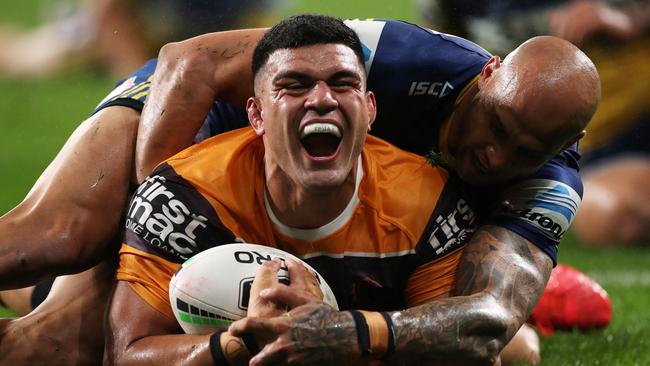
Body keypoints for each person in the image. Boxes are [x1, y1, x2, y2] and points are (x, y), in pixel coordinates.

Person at [0, 15, 601, 366]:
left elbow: (487, 320)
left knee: (516, 349)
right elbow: (192, 62)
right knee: (61, 242)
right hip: (197, 128)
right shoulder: (401, 57)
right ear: (490, 71)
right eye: (496, 124)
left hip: (341, 224)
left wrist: (345, 334)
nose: (495, 157)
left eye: (526, 152)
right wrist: (154, 221)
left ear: (572, 142)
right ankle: (56, 280)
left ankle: (46, 293)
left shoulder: (549, 187)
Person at [419, 0, 650, 247]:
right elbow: (451, 66)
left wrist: (631, 17)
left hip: (639, 113)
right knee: (620, 219)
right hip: (561, 144)